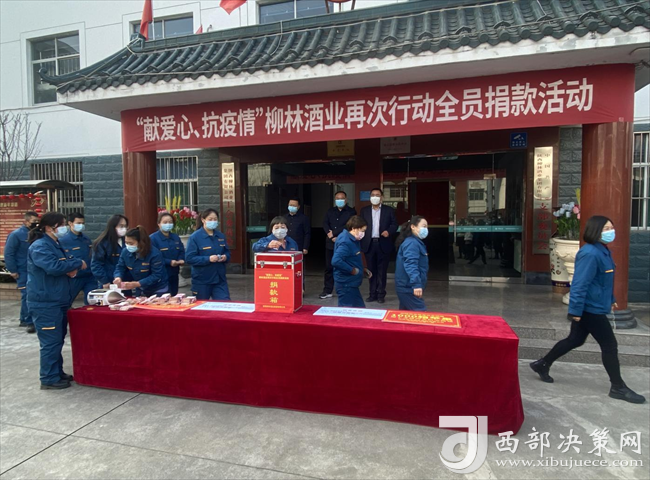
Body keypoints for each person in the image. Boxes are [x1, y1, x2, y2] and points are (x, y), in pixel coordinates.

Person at [530, 216, 646, 404]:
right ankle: (617, 387)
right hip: (590, 309)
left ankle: (542, 364)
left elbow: (602, 282)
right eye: (605, 228)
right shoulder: (590, 254)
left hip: (594, 305)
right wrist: (575, 311)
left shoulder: (602, 251)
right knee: (609, 345)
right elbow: (579, 285)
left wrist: (611, 299)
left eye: (611, 227)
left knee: (575, 340)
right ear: (595, 231)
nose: (610, 232)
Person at [27, 212, 86, 390]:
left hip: (58, 299)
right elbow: (53, 267)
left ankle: (56, 372)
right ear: (49, 227)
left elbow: (65, 263)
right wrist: (76, 264)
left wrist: (71, 265)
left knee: (57, 339)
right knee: (50, 342)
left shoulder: (55, 244)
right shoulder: (40, 246)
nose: (64, 228)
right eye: (61, 225)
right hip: (45, 302)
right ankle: (48, 378)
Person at [359, 188, 398, 304]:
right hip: (369, 244)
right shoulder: (364, 211)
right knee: (371, 271)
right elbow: (360, 225)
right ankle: (372, 294)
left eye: (377, 195)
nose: (375, 197)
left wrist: (388, 231)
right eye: (373, 195)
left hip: (383, 243)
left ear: (382, 197)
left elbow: (395, 224)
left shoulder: (389, 210)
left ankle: (381, 294)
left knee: (382, 271)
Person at [5, 211, 39, 333]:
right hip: (23, 270)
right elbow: (9, 253)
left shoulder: (37, 234)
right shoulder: (16, 235)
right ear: (26, 221)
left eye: (37, 221)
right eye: (34, 221)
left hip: (35, 270)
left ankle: (25, 318)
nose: (36, 224)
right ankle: (28, 320)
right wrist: (13, 270)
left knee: (32, 295)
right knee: (27, 295)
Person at [185, 209, 230, 300]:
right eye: (210, 219)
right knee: (201, 306)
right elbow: (189, 258)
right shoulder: (195, 237)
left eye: (215, 219)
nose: (213, 221)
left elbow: (227, 252)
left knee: (225, 303)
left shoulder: (220, 236)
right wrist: (208, 259)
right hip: (202, 280)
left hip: (219, 279)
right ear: (203, 220)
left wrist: (225, 257)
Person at [320, 191, 356, 299]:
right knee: (329, 267)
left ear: (346, 199)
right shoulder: (330, 211)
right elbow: (325, 223)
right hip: (330, 243)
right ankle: (327, 290)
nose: (339, 200)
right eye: (337, 198)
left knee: (345, 266)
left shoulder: (351, 212)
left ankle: (346, 290)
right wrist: (331, 236)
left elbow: (349, 226)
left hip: (344, 243)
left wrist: (335, 234)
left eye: (342, 198)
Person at [114, 226, 168, 296]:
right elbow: (120, 267)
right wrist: (118, 277)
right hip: (140, 287)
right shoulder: (125, 252)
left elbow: (156, 275)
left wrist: (138, 283)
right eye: (126, 243)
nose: (128, 246)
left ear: (140, 242)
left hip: (158, 287)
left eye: (131, 243)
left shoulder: (154, 254)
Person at [331, 215, 371, 308]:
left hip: (351, 284)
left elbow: (351, 259)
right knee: (347, 312)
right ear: (353, 228)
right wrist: (352, 270)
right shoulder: (346, 242)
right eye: (362, 231)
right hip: (346, 284)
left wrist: (362, 269)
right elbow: (336, 261)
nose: (363, 233)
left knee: (360, 310)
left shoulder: (353, 239)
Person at [59, 212, 96, 306]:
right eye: (78, 223)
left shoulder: (86, 239)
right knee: (66, 302)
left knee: (92, 302)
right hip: (74, 277)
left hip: (89, 276)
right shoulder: (63, 240)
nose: (81, 225)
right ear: (70, 223)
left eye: (82, 223)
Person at [395, 216, 430, 311]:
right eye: (423, 226)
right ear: (413, 227)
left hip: (407, 286)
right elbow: (411, 265)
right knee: (420, 314)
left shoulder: (415, 242)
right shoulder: (412, 243)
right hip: (408, 287)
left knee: (405, 315)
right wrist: (416, 284)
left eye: (427, 227)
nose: (426, 229)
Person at [91, 214, 132, 295]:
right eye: (121, 226)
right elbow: (96, 264)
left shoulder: (127, 241)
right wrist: (104, 281)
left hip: (125, 282)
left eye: (125, 226)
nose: (124, 228)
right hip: (109, 283)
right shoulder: (102, 243)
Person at [150, 212, 185, 296]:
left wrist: (181, 259)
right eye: (165, 222)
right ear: (159, 224)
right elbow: (153, 257)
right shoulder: (153, 238)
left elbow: (181, 250)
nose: (168, 224)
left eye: (170, 222)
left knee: (174, 295)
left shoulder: (175, 237)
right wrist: (169, 262)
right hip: (161, 274)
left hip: (174, 273)